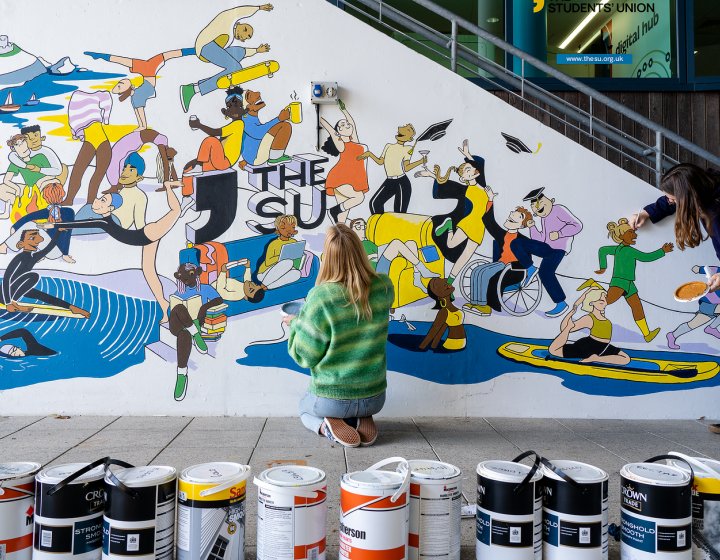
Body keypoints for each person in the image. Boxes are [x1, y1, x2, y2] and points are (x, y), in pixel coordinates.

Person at [286, 223, 394, 448]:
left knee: (304, 409)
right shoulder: (384, 287)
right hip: (374, 397)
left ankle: (326, 427)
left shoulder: (320, 298)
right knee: (359, 403)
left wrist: (296, 324)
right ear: (360, 251)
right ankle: (361, 416)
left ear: (328, 257)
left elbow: (304, 356)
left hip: (331, 399)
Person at [42, 181, 183, 323]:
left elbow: (79, 224)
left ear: (109, 208)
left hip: (149, 233)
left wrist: (55, 224)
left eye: (103, 200)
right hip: (145, 238)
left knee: (176, 211)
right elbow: (81, 224)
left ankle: (168, 185)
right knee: (149, 273)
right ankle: (164, 307)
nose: (97, 201)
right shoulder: (103, 222)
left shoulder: (104, 223)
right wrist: (55, 224)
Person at [629, 163, 720, 293]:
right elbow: (676, 198)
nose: (671, 202)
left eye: (674, 200)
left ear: (687, 198)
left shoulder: (715, 214)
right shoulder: (705, 182)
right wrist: (647, 213)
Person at [416, 139, 489, 284]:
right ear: (463, 178)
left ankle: (449, 285)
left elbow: (480, 164)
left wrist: (468, 155)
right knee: (450, 245)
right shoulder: (466, 189)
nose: (472, 170)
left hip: (479, 228)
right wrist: (433, 176)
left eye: (472, 168)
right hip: (468, 224)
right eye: (468, 170)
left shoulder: (483, 186)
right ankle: (449, 226)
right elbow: (445, 185)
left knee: (465, 257)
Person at [180, 4, 273, 112]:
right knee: (236, 68)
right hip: (206, 46)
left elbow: (243, 52)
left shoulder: (230, 38)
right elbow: (239, 11)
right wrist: (259, 8)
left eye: (247, 36)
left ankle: (191, 88)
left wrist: (257, 50)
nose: (245, 34)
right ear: (239, 23)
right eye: (245, 29)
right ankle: (194, 89)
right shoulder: (228, 21)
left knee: (239, 52)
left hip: (212, 48)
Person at [597, 218, 673, 342]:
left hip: (629, 284)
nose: (635, 235)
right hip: (619, 282)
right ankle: (589, 307)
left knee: (637, 307)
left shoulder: (621, 250)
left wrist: (603, 267)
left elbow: (603, 250)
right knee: (605, 302)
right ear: (622, 236)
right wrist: (662, 251)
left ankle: (647, 334)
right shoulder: (626, 251)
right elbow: (646, 257)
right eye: (631, 233)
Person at [463, 190, 533, 316]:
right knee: (477, 271)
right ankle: (476, 303)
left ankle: (486, 307)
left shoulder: (523, 240)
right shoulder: (503, 235)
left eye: (518, 216)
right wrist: (490, 200)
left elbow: (527, 260)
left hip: (515, 270)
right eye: (512, 214)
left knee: (489, 276)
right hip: (501, 264)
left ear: (522, 225)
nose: (512, 214)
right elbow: (490, 222)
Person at [86, 49, 193, 129]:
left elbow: (138, 111)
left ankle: (102, 56)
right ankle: (193, 50)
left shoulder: (136, 95)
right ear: (125, 90)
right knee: (163, 56)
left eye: (119, 83)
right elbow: (140, 112)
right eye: (120, 85)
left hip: (147, 72)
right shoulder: (137, 97)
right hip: (148, 73)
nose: (121, 82)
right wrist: (142, 126)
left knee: (126, 61)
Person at [521, 187, 583, 317]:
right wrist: (532, 227)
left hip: (558, 249)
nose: (537, 207)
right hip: (547, 248)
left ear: (550, 201)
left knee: (545, 273)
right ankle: (529, 268)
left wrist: (560, 233)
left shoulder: (557, 209)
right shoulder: (543, 218)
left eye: (540, 202)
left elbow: (577, 225)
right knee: (518, 243)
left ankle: (561, 303)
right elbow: (541, 239)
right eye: (533, 205)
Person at [1, 229, 89, 317]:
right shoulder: (19, 257)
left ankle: (71, 307)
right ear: (21, 244)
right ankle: (14, 302)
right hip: (4, 294)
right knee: (33, 276)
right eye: (32, 238)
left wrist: (58, 232)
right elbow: (6, 279)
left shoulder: (33, 257)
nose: (37, 241)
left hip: (17, 288)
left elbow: (50, 247)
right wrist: (8, 303)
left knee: (40, 295)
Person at [169, 263, 224, 401]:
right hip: (177, 324)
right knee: (180, 307)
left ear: (197, 273)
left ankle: (181, 375)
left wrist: (204, 307)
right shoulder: (179, 293)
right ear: (179, 277)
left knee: (184, 335)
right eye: (182, 276)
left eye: (191, 274)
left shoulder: (205, 289)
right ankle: (196, 335)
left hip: (192, 325)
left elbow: (219, 299)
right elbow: (172, 311)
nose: (187, 279)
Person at [183, 87, 247, 195]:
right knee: (188, 167)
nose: (234, 109)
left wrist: (199, 125)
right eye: (230, 107)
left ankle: (199, 164)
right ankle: (187, 196)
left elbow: (215, 132)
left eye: (238, 106)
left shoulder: (238, 124)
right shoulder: (232, 125)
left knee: (211, 140)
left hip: (224, 162)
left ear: (243, 109)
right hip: (217, 160)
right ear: (226, 112)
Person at [549, 281, 630, 365]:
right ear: (592, 303)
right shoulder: (589, 318)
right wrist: (571, 314)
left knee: (626, 359)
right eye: (601, 301)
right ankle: (595, 357)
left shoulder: (603, 316)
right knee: (553, 350)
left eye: (605, 300)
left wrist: (589, 291)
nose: (605, 303)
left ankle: (597, 358)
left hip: (603, 347)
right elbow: (564, 328)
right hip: (589, 346)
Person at [350, 217, 438, 288]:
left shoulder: (368, 242)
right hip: (376, 272)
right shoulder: (355, 245)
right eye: (358, 226)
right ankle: (423, 270)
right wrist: (372, 256)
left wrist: (383, 250)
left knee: (411, 244)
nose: (362, 228)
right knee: (396, 243)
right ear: (351, 231)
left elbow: (378, 251)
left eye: (363, 226)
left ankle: (417, 279)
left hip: (380, 261)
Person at [360, 123, 427, 214]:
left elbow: (406, 167)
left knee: (399, 213)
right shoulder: (388, 146)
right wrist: (369, 154)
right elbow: (380, 161)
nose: (402, 129)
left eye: (407, 130)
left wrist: (420, 161)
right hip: (389, 181)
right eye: (404, 128)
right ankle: (380, 227)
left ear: (409, 138)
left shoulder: (408, 148)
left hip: (402, 182)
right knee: (374, 203)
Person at [320, 100, 368, 224]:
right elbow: (331, 130)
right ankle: (333, 211)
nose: (347, 125)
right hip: (340, 178)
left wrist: (344, 110)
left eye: (347, 124)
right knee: (359, 197)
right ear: (339, 132)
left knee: (342, 218)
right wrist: (318, 116)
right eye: (342, 125)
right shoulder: (342, 144)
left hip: (353, 179)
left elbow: (352, 123)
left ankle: (339, 235)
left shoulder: (356, 142)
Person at [63, 89, 113, 206]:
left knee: (96, 174)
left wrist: (106, 117)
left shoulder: (94, 99)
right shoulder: (77, 99)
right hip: (91, 142)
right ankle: (70, 199)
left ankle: (90, 201)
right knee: (77, 172)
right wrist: (105, 117)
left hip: (103, 144)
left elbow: (107, 96)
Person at [4, 182, 76, 263]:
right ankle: (6, 246)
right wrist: (15, 227)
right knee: (32, 225)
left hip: (56, 251)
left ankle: (4, 246)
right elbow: (29, 217)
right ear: (62, 196)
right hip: (47, 250)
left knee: (31, 225)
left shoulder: (68, 212)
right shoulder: (51, 211)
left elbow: (67, 232)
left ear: (46, 197)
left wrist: (65, 254)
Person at [104, 129, 178, 192]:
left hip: (134, 140)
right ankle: (114, 186)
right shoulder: (162, 143)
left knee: (116, 160)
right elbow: (166, 162)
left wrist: (167, 184)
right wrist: (166, 183)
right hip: (134, 139)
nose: (166, 156)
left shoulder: (163, 142)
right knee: (114, 160)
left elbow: (167, 163)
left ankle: (115, 185)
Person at [667, 265, 720, 349]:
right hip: (707, 304)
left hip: (716, 308)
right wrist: (698, 269)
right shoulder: (718, 271)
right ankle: (711, 328)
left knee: (692, 324)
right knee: (692, 324)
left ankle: (672, 335)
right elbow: (706, 269)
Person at [240, 88, 293, 165]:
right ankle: (275, 157)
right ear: (247, 107)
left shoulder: (249, 117)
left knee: (279, 125)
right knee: (285, 126)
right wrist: (278, 119)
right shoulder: (245, 119)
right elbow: (258, 133)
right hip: (256, 157)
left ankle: (275, 155)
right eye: (250, 96)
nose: (258, 93)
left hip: (251, 156)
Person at [420, 277, 466, 351]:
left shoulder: (448, 308)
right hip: (453, 345)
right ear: (439, 295)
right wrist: (422, 347)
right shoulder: (444, 311)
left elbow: (443, 328)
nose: (446, 281)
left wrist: (434, 345)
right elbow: (434, 330)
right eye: (442, 284)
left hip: (460, 345)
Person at [256, 215, 302, 289]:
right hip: (265, 273)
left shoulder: (294, 242)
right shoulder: (273, 244)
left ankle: (266, 287)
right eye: (284, 228)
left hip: (283, 271)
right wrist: (281, 256)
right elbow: (268, 262)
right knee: (288, 262)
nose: (289, 230)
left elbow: (295, 258)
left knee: (297, 273)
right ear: (278, 229)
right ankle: (264, 283)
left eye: (292, 227)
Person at [109, 152, 148, 230]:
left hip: (115, 227)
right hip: (108, 222)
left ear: (139, 178)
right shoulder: (122, 191)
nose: (124, 173)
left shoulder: (140, 196)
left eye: (131, 170)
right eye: (124, 168)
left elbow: (140, 224)